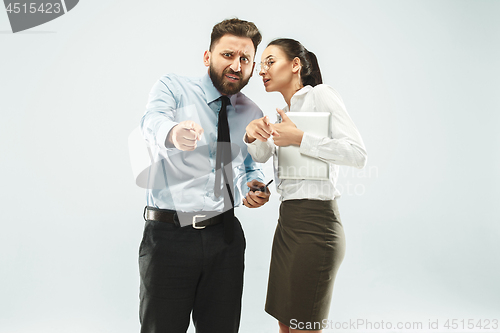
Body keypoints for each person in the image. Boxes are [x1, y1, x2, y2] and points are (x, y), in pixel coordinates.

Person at [139, 18, 271, 333]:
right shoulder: (173, 87)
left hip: (224, 236)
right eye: (228, 55)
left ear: (252, 66)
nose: (236, 65)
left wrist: (251, 187)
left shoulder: (251, 112)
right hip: (169, 235)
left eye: (245, 59)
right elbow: (151, 121)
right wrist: (173, 133)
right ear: (207, 57)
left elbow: (249, 166)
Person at [244, 38, 367, 333]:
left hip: (316, 227)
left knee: (303, 326)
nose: (262, 70)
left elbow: (357, 154)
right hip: (287, 225)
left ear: (296, 64)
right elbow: (263, 155)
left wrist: (300, 138)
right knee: (286, 325)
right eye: (261, 65)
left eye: (270, 62)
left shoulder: (321, 96)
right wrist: (252, 135)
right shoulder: (281, 114)